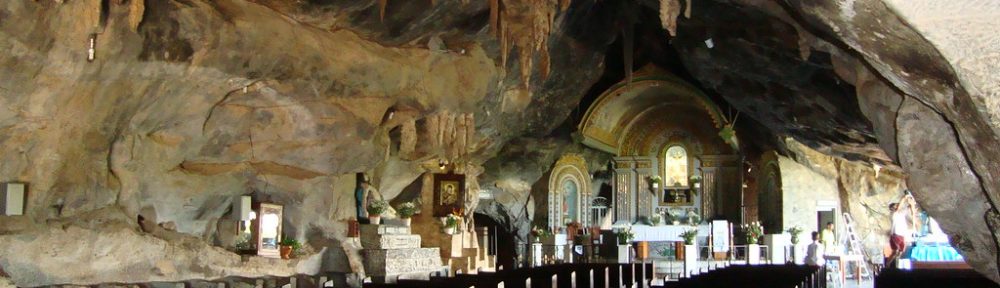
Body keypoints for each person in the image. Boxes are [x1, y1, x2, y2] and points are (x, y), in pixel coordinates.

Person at [889, 199, 914, 267]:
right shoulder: (894, 214)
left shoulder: (901, 213)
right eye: (895, 206)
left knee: (901, 251)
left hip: (902, 235)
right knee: (895, 251)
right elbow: (900, 206)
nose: (897, 206)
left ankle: (896, 265)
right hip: (895, 234)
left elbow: (909, 207)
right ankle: (887, 266)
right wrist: (905, 197)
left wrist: (911, 203)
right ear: (892, 208)